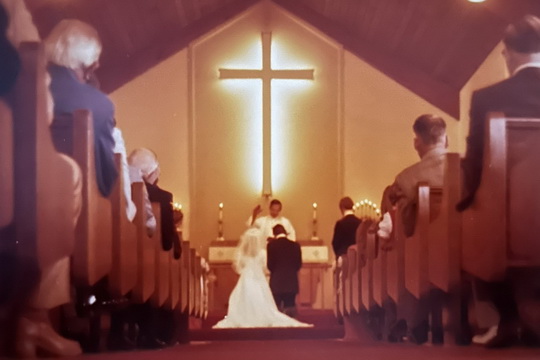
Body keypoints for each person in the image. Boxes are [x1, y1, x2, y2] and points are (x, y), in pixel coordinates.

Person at [458, 15, 540, 348]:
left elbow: (477, 161)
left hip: (511, 217)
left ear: (507, 53)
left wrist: (466, 200)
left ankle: (504, 320)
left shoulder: (487, 98)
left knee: (475, 220)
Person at [44, 19, 118, 197]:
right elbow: (106, 179)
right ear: (87, 64)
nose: (98, 65)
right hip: (69, 204)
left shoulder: (17, 86)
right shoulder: (100, 104)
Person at [213, 228, 311, 328]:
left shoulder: (242, 254)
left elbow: (238, 267)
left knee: (244, 299)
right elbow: (266, 267)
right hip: (259, 278)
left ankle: (246, 318)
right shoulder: (262, 253)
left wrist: (246, 272)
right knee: (263, 300)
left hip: (246, 278)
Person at [387, 114, 448, 237]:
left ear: (416, 143)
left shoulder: (404, 179)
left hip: (426, 251)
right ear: (446, 139)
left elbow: (405, 230)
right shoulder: (467, 167)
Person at [267, 225, 303, 317]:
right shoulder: (295, 245)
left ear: (274, 234)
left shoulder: (271, 245)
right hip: (291, 281)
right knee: (290, 306)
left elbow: (270, 265)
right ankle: (291, 328)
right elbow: (298, 264)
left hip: (277, 281)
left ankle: (277, 329)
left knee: (276, 308)